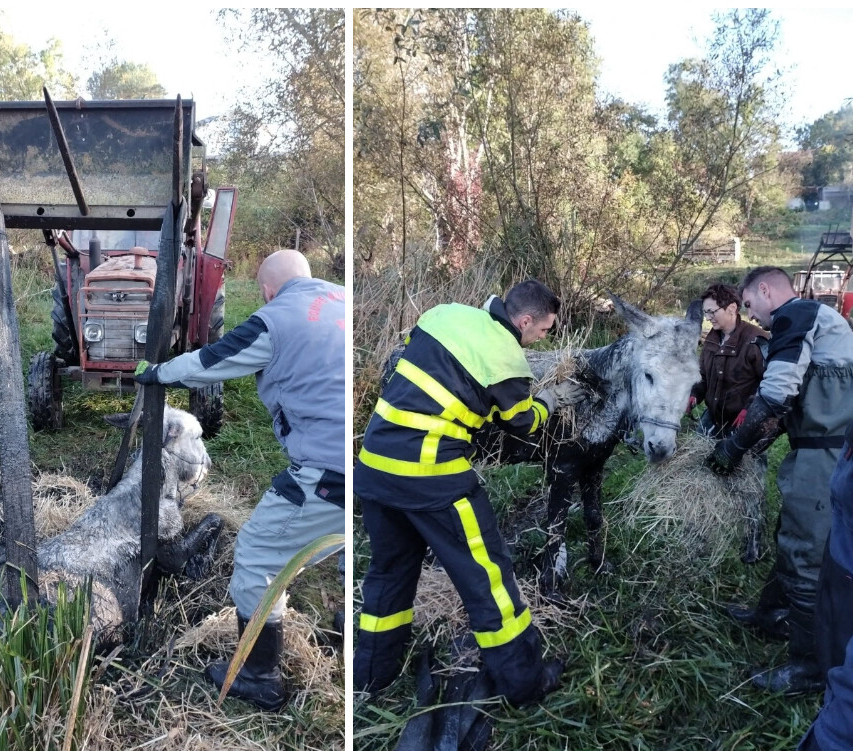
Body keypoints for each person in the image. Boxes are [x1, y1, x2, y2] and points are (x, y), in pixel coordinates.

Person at [353, 280, 584, 705]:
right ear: (525, 320)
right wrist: (550, 399)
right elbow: (521, 423)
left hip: (373, 467)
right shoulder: (507, 360)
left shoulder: (445, 314)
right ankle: (523, 683)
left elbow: (416, 359)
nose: (543, 338)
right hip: (432, 477)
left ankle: (371, 675)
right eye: (545, 330)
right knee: (488, 577)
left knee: (388, 573)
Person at [134, 249, 345, 711]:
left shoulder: (277, 317)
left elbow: (211, 361)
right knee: (353, 547)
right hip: (373, 457)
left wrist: (156, 373)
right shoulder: (343, 299)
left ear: (267, 289)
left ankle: (258, 675)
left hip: (328, 470)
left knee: (257, 556)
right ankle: (352, 634)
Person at [707, 266, 852, 694]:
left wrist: (733, 447)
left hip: (824, 453)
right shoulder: (819, 323)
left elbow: (776, 392)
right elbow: (799, 398)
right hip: (821, 444)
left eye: (750, 305)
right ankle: (770, 613)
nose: (753, 316)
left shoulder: (796, 314)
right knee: (789, 533)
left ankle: (809, 670)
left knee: (805, 550)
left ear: (766, 291)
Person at [689, 283, 769, 565]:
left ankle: (753, 543)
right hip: (714, 416)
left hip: (746, 424)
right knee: (700, 473)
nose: (709, 317)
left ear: (732, 308)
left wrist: (751, 411)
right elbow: (702, 376)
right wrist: (692, 396)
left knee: (750, 484)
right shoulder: (711, 337)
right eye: (706, 312)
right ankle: (701, 534)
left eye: (712, 311)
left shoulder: (756, 340)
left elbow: (770, 383)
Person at [795, 426, 852, 751]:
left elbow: (777, 387)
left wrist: (834, 744)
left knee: (802, 542)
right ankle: (823, 676)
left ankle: (807, 670)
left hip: (821, 447)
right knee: (831, 608)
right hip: (844, 496)